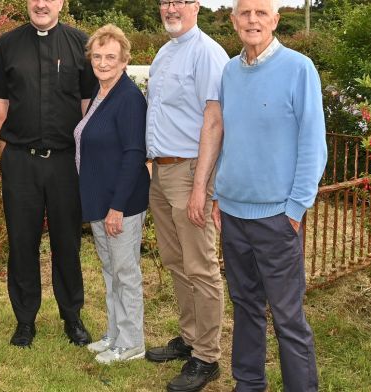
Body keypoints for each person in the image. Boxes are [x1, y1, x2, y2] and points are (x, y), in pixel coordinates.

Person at [213, 0, 326, 390]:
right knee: (245, 308)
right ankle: (248, 384)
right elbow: (229, 139)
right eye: (244, 13)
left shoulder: (299, 69)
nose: (252, 20)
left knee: (287, 316)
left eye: (261, 13)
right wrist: (217, 195)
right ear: (232, 20)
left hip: (277, 216)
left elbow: (314, 144)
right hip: (233, 213)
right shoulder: (229, 71)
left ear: (276, 20)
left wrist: (295, 209)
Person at [0, 0, 97, 348]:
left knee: (67, 241)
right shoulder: (7, 44)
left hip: (65, 162)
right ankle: (24, 320)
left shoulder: (82, 43)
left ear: (61, 3)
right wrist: (6, 150)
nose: (41, 4)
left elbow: (86, 102)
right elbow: (0, 100)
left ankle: (72, 316)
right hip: (20, 160)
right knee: (22, 241)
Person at [145, 0, 229, 391]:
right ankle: (191, 338)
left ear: (196, 6)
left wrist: (201, 188)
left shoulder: (208, 53)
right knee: (176, 260)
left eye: (179, 1)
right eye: (165, 2)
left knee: (201, 265)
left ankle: (208, 357)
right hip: (161, 172)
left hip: (190, 170)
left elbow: (214, 121)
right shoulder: (165, 52)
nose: (171, 8)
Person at [75, 24, 149, 364]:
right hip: (99, 199)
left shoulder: (129, 98)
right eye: (98, 56)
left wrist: (117, 207)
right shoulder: (100, 91)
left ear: (124, 61)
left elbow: (134, 154)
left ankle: (132, 341)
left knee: (125, 272)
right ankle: (115, 334)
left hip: (121, 203)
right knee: (110, 270)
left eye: (111, 57)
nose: (103, 62)